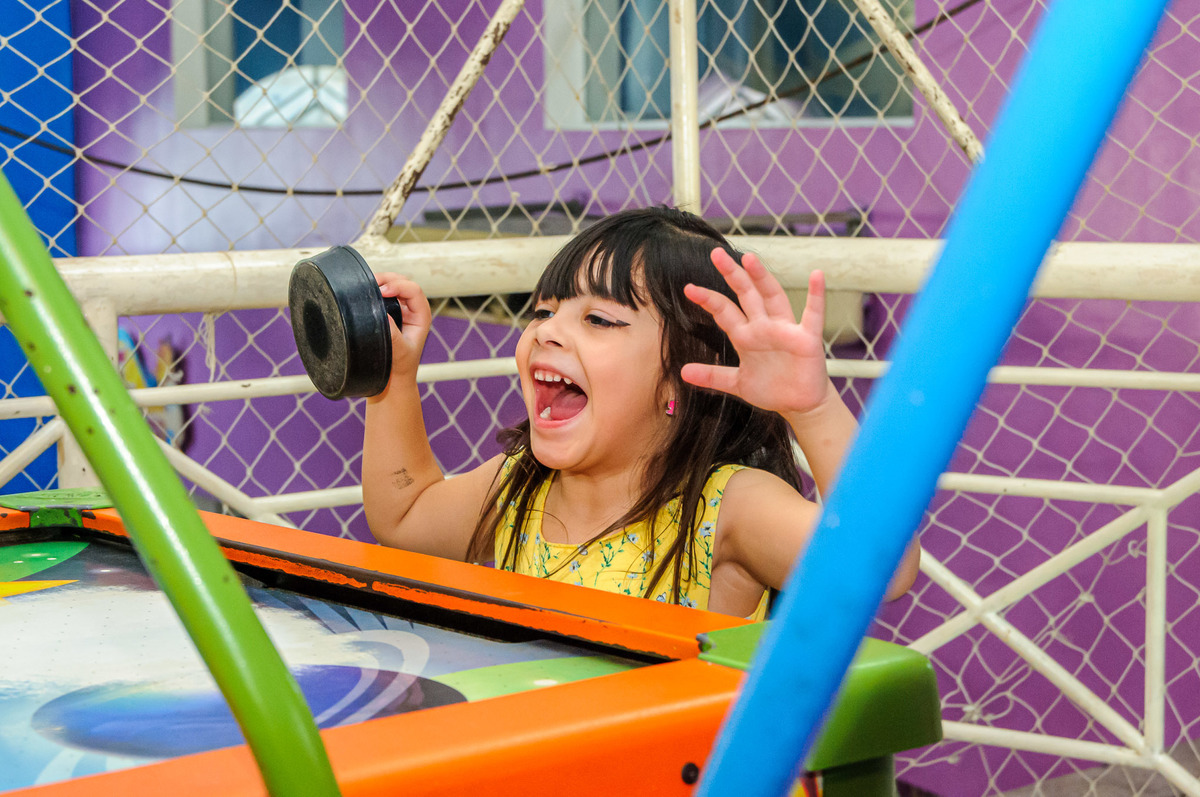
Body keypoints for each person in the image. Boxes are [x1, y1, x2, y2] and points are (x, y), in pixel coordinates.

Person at [362, 207, 919, 619]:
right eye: (544, 311)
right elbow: (405, 517)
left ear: (684, 373)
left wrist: (813, 409)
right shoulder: (519, 487)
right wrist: (392, 379)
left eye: (598, 320)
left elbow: (880, 568)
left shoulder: (724, 508)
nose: (548, 331)